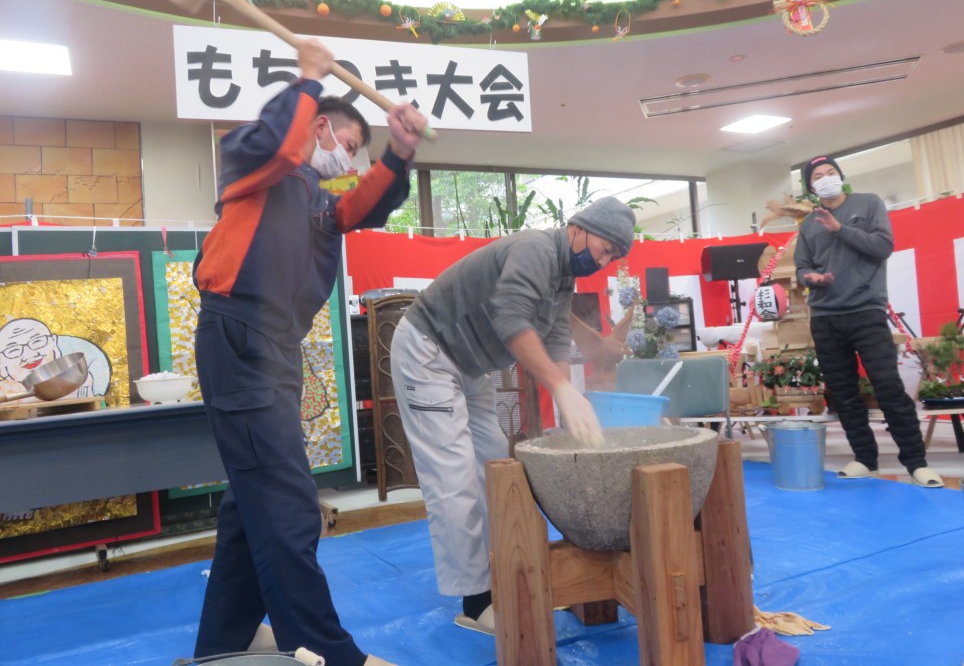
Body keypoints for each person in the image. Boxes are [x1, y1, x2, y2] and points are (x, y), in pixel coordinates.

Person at [192, 38, 427, 666]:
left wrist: (400, 148)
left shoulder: (320, 203)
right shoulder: (258, 166)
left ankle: (225, 642)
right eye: (348, 146)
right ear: (321, 126)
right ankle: (323, 649)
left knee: (253, 500)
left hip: (274, 346)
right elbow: (277, 143)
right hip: (239, 333)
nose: (346, 160)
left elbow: (365, 204)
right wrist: (306, 78)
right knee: (287, 497)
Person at [390, 196, 636, 634]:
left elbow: (556, 340)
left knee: (496, 470)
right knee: (454, 479)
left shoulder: (563, 277)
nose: (602, 262)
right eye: (604, 250)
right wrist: (561, 389)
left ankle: (502, 576)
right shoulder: (536, 249)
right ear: (579, 228)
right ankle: (475, 600)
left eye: (612, 258)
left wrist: (567, 407)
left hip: (471, 366)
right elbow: (510, 318)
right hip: (428, 353)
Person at [794, 155, 943, 488]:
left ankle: (916, 463)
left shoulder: (869, 203)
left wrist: (839, 229)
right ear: (811, 186)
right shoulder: (806, 225)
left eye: (831, 172)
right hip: (825, 317)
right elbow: (801, 267)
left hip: (866, 311)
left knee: (888, 386)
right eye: (818, 175)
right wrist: (812, 277)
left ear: (841, 176)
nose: (826, 178)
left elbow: (883, 247)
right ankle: (865, 459)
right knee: (843, 393)